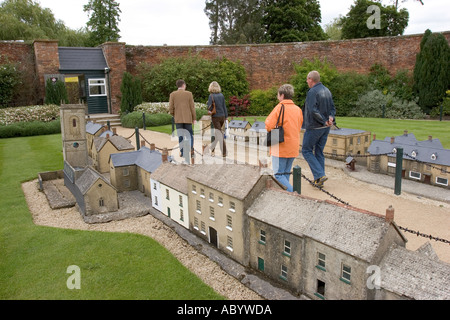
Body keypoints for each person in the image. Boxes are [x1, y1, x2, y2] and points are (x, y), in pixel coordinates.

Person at [265, 84, 303, 192]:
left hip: (280, 146)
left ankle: (295, 194)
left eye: (278, 94)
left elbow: (268, 125)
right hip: (293, 145)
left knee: (278, 175)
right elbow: (299, 125)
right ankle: (286, 195)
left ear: (282, 95)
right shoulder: (298, 109)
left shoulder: (279, 107)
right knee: (286, 173)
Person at [302, 71, 336, 188]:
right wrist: (330, 118)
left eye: (307, 79)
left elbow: (312, 110)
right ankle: (319, 179)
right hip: (326, 128)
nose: (306, 81)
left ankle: (320, 175)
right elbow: (332, 108)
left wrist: (323, 120)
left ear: (311, 79)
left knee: (306, 150)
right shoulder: (327, 90)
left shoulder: (312, 92)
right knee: (319, 152)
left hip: (315, 126)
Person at [169, 79, 196, 163]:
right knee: (189, 135)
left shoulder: (173, 94)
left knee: (180, 136)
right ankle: (191, 150)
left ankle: (182, 152)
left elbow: (171, 108)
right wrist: (194, 118)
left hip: (178, 119)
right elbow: (192, 107)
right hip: (188, 118)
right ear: (183, 85)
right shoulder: (189, 94)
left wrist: (174, 115)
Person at [206, 81, 228, 158]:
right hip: (222, 116)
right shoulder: (221, 95)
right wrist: (226, 117)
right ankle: (212, 149)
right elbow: (224, 106)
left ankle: (224, 152)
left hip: (215, 117)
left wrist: (208, 105)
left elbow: (210, 108)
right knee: (217, 134)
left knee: (219, 134)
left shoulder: (211, 96)